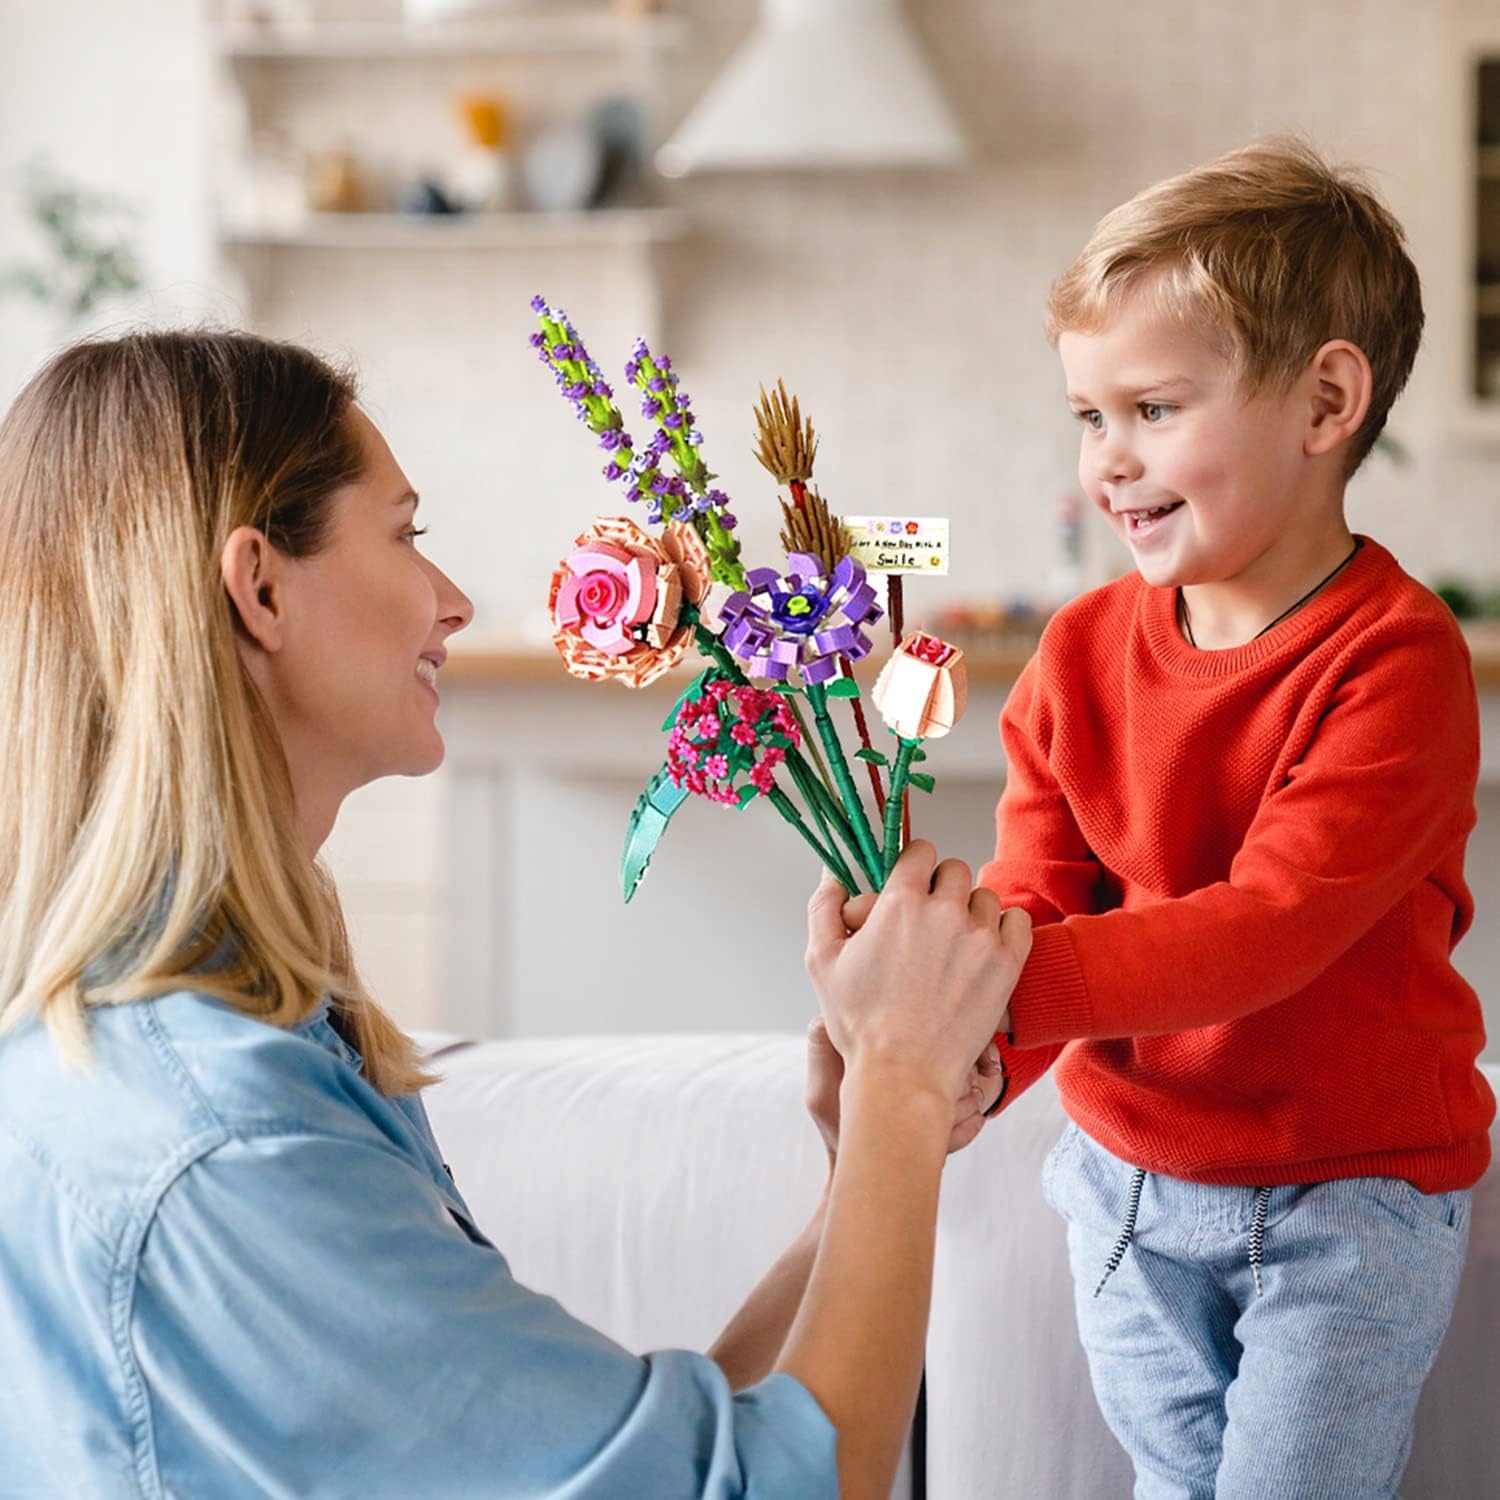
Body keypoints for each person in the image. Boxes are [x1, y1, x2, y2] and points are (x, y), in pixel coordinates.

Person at [0, 330, 1031, 1499]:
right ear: (263, 586)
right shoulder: (231, 1142)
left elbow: (656, 1470)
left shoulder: (240, 1047)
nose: (452, 601)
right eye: (405, 535)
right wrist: (900, 1073)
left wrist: (862, 1170)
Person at [967, 138, 1494, 1498]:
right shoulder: (1079, 653)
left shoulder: (1397, 662)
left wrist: (987, 981)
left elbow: (1266, 930)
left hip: (1348, 1203)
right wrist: (970, 1045)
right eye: (1089, 417)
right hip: (1128, 1186)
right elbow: (1043, 892)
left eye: (1151, 408)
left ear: (1326, 401)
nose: (1109, 464)